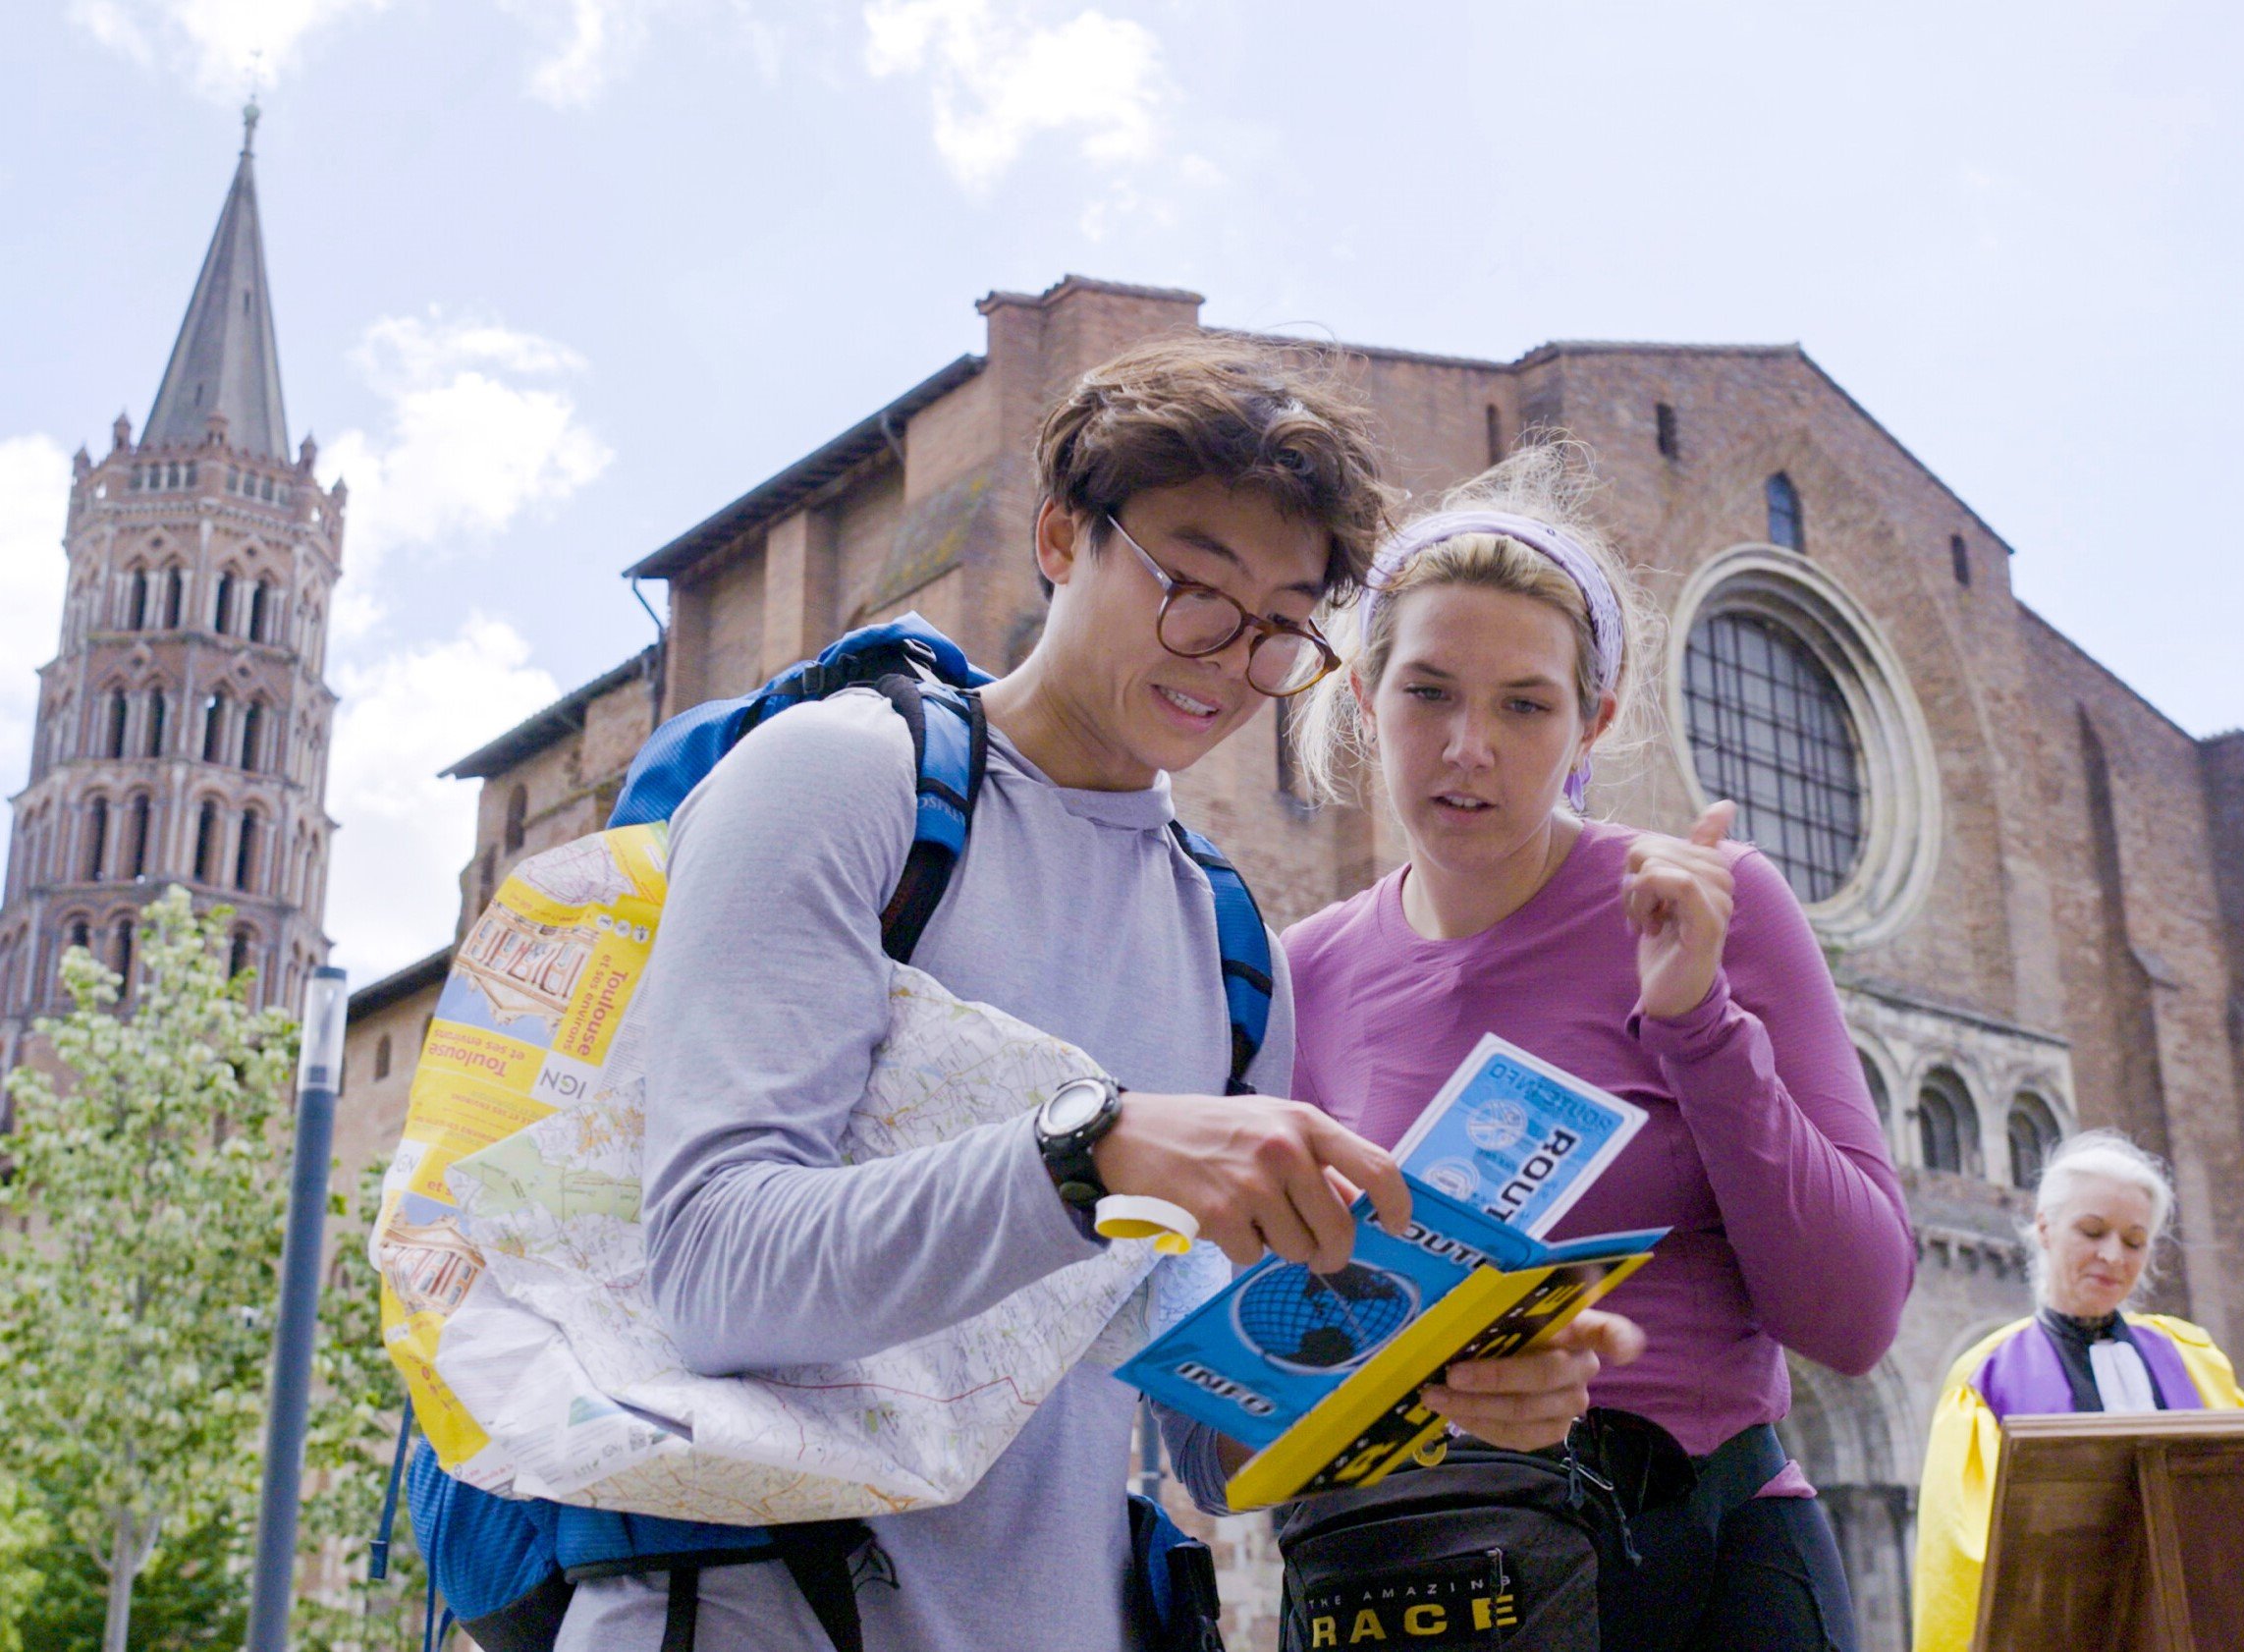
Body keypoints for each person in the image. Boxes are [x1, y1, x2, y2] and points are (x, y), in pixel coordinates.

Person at [575, 337, 1636, 1652]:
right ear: (1061, 534)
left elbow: (1209, 1442)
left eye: (1278, 629)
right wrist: (1092, 1154)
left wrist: (1422, 1386)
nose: (1223, 658)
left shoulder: (1232, 946)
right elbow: (714, 1270)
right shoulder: (841, 776)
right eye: (1192, 585)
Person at [1282, 445, 1914, 1649]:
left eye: (1524, 703)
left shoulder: (1714, 903)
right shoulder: (1298, 973)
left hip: (1710, 1574)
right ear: (1364, 695)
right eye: (1428, 691)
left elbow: (1854, 1314)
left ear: (1592, 720)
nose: (1471, 744)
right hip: (1420, 1577)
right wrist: (1418, 1380)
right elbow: (1232, 1412)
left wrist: (1699, 1027)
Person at [1910, 1130, 2244, 1652]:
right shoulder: (1987, 1379)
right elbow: (1961, 1565)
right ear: (2045, 1229)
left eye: (2135, 1241)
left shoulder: (2192, 1359)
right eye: (2092, 1231)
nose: (2113, 1256)